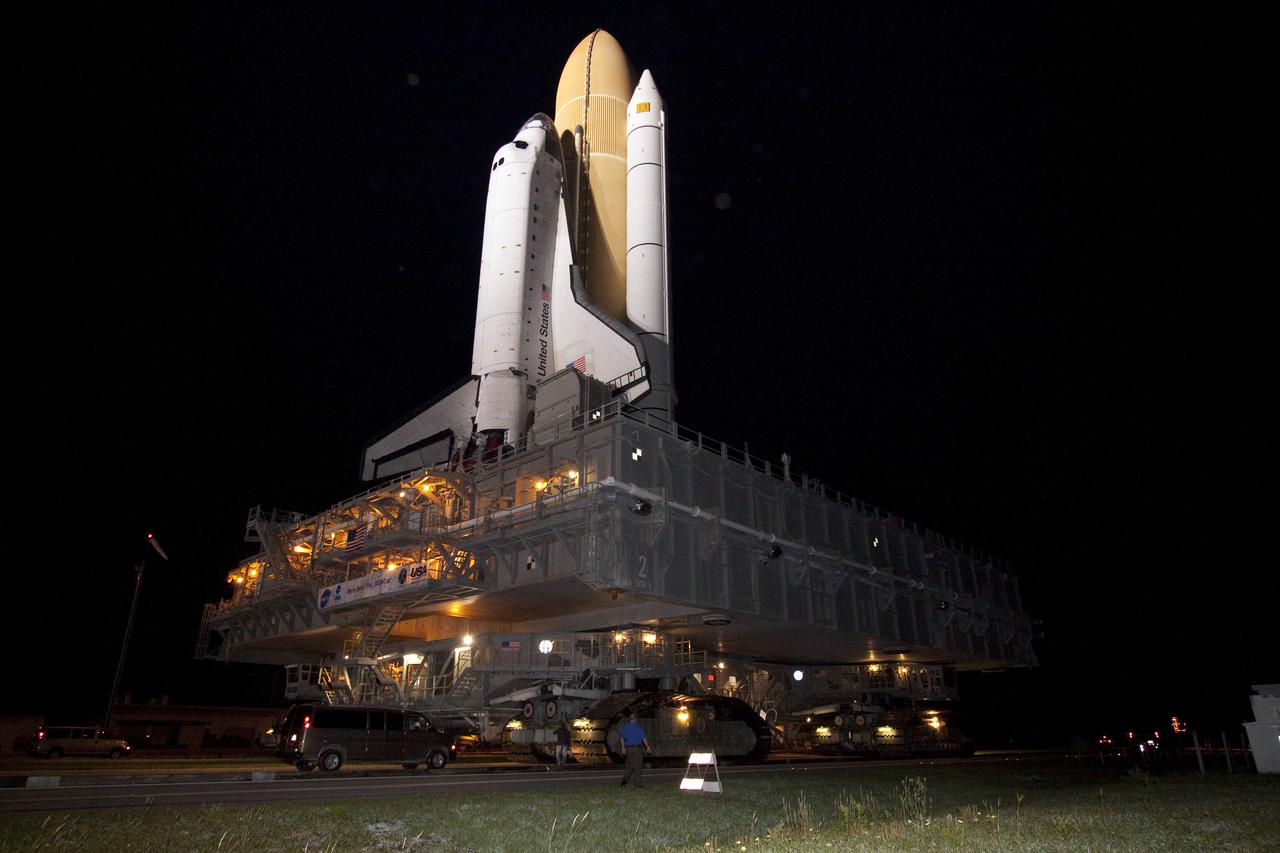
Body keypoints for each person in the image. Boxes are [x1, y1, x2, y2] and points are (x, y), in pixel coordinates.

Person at [618, 712, 650, 787]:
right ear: (636, 719)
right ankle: (637, 784)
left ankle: (625, 779)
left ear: (630, 719)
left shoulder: (626, 727)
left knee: (629, 765)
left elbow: (622, 738)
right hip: (637, 749)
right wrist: (647, 747)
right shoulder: (638, 727)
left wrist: (623, 748)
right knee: (638, 766)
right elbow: (643, 738)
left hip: (628, 749)